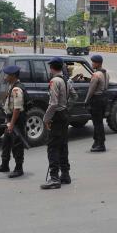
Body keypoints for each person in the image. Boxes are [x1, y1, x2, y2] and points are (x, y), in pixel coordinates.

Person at [41, 57, 77, 190]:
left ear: (51, 68)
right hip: (64, 115)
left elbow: (53, 103)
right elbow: (74, 96)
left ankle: (54, 178)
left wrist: (46, 119)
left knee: (52, 147)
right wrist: (67, 107)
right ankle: (65, 174)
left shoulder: (54, 81)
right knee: (62, 145)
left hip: (56, 116)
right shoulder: (66, 81)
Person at [0, 65, 27, 178]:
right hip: (10, 118)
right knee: (6, 142)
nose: (5, 77)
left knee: (17, 144)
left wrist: (12, 124)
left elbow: (17, 108)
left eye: (7, 75)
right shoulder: (11, 86)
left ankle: (18, 168)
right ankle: (4, 165)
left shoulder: (17, 89)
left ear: (13, 76)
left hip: (16, 119)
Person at [85, 55, 109, 152]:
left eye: (93, 62)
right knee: (99, 122)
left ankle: (101, 144)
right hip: (103, 98)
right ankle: (97, 142)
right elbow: (105, 86)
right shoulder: (106, 73)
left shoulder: (96, 75)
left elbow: (91, 90)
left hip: (96, 100)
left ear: (98, 63)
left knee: (97, 123)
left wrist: (86, 100)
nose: (92, 64)